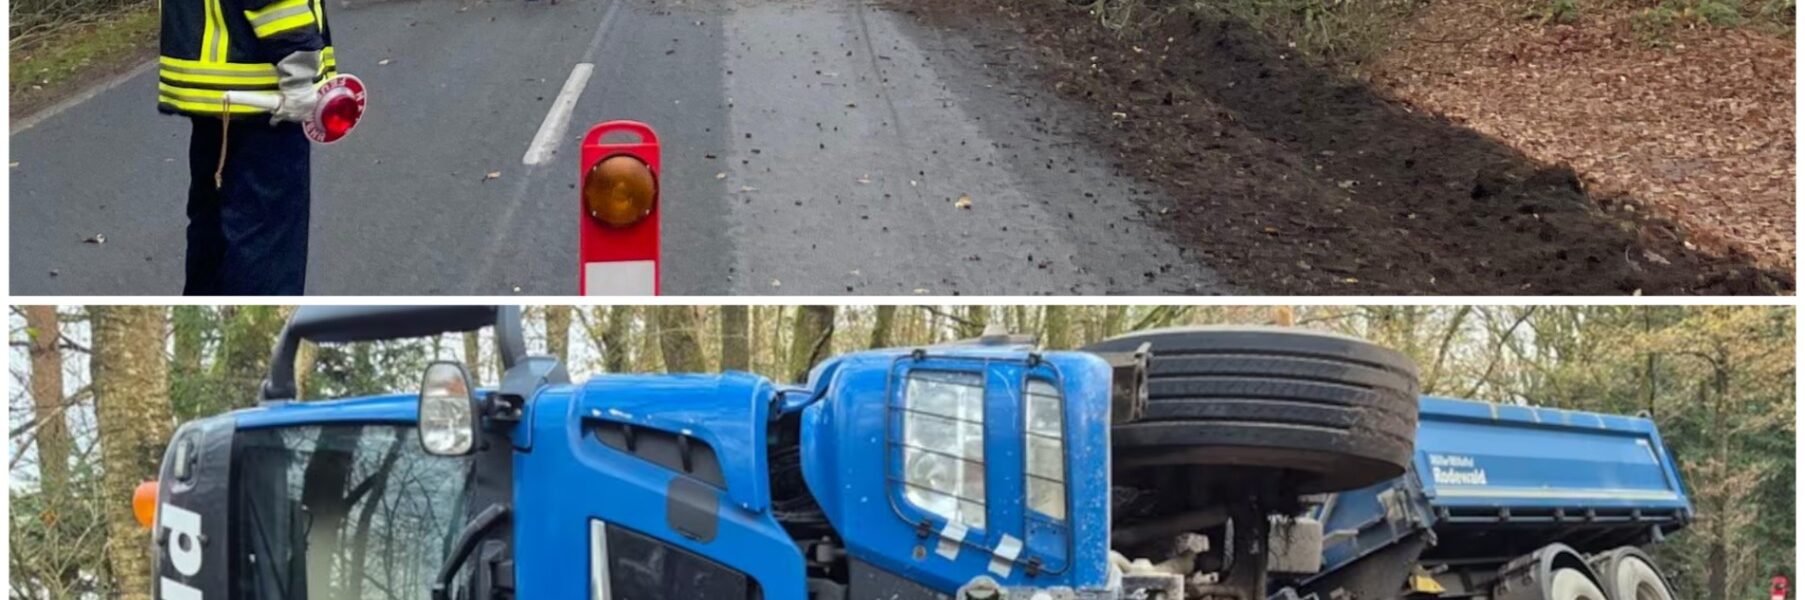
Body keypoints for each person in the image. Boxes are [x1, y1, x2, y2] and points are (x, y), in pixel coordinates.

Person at [158, 0, 336, 294]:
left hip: (215, 90)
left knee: (213, 238)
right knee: (266, 249)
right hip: (263, 89)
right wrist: (299, 71)